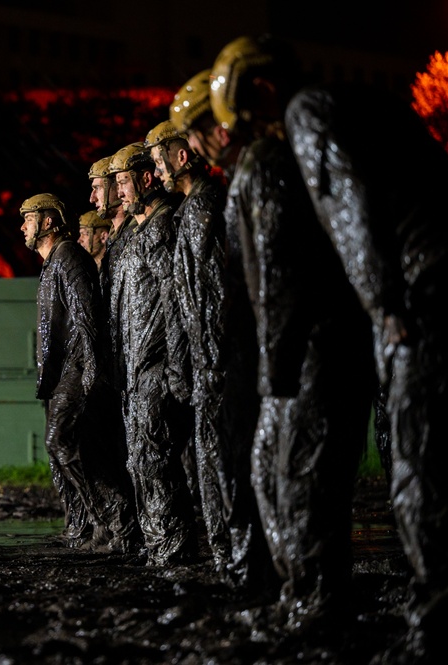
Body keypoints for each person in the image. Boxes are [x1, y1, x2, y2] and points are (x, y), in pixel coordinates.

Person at [207, 34, 376, 633]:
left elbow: (278, 271)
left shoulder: (292, 137)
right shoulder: (300, 138)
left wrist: (273, 369)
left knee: (301, 477)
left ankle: (318, 606)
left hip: (312, 348)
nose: (240, 131)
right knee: (282, 474)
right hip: (316, 343)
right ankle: (307, 598)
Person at [283, 57, 448, 665]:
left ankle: (436, 623)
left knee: (418, 464)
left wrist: (382, 304)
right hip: (433, 272)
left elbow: (347, 207)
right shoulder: (364, 104)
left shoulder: (308, 114)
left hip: (420, 291)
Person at [165, 72, 279, 597]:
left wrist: (211, 360)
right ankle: (240, 570)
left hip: (224, 360)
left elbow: (217, 290)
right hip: (216, 359)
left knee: (235, 470)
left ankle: (250, 576)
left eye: (190, 133)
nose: (191, 143)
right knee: (222, 469)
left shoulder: (215, 198)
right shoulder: (207, 201)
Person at [20, 193, 141, 554]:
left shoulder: (68, 256)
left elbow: (87, 317)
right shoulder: (54, 261)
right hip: (66, 373)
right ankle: (102, 527)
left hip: (78, 369)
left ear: (46, 222)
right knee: (71, 447)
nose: (22, 226)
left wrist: (91, 373)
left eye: (28, 219)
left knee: (64, 442)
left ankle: (119, 523)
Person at [107, 143, 198, 566]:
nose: (117, 190)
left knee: (153, 460)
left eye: (123, 181)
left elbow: (175, 301)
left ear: (145, 179)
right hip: (138, 368)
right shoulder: (143, 230)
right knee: (142, 460)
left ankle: (173, 550)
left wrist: (175, 369)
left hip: (156, 368)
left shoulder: (163, 228)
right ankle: (162, 547)